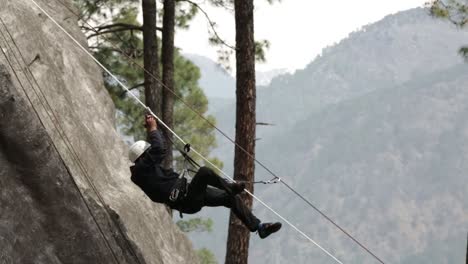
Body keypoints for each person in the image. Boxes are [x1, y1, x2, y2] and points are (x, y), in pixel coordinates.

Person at [129, 114, 282, 239]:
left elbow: (159, 149)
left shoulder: (146, 170)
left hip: (189, 195)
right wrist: (153, 129)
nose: (151, 154)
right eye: (148, 152)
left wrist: (157, 131)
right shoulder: (142, 170)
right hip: (187, 198)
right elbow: (159, 149)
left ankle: (259, 227)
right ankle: (230, 187)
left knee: (230, 199)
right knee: (204, 172)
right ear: (142, 156)